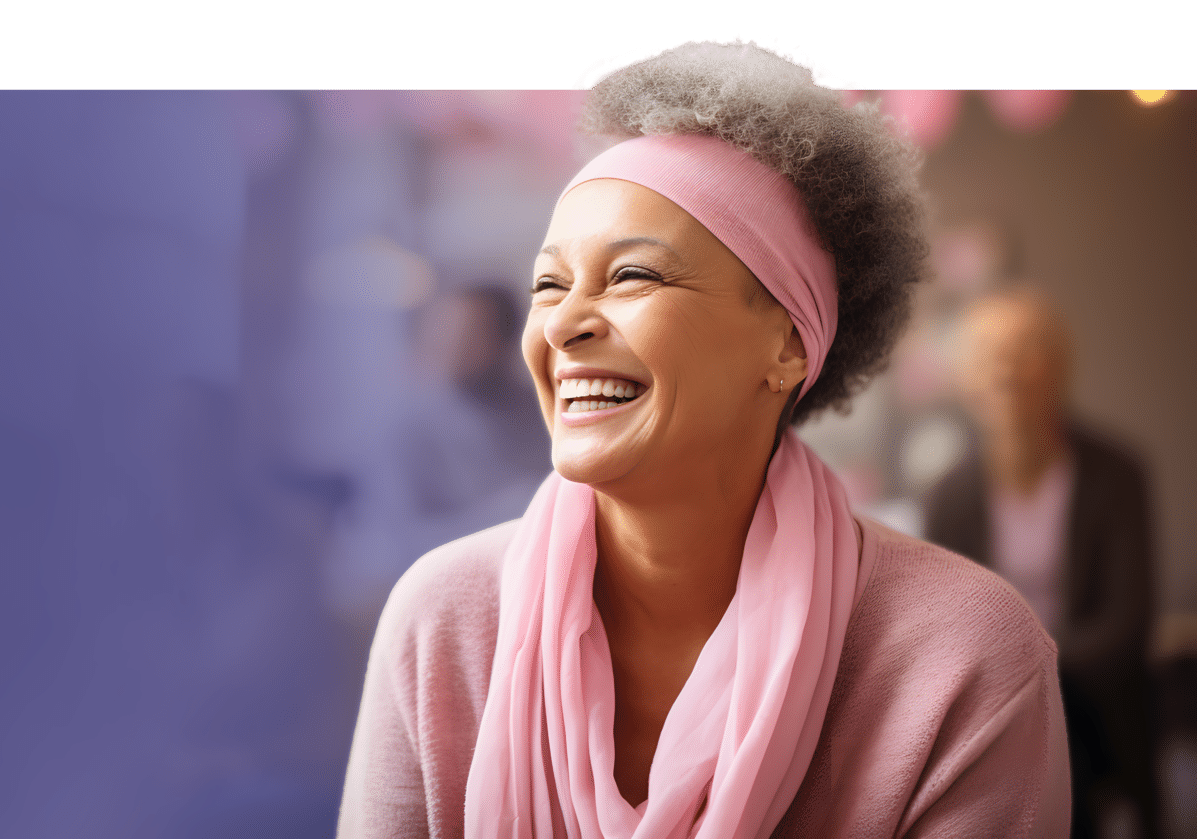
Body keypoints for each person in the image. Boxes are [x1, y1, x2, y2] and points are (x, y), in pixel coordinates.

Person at [337, 39, 1071, 839]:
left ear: (788, 344)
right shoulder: (442, 623)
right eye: (548, 284)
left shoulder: (963, 660)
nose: (566, 324)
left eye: (632, 276)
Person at [925, 290, 1159, 839]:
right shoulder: (949, 496)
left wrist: (1032, 675)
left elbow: (1126, 623)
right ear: (965, 379)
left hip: (1092, 704)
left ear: (1059, 366)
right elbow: (945, 632)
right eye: (989, 355)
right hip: (993, 712)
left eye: (1026, 350)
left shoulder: (1118, 475)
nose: (1006, 370)